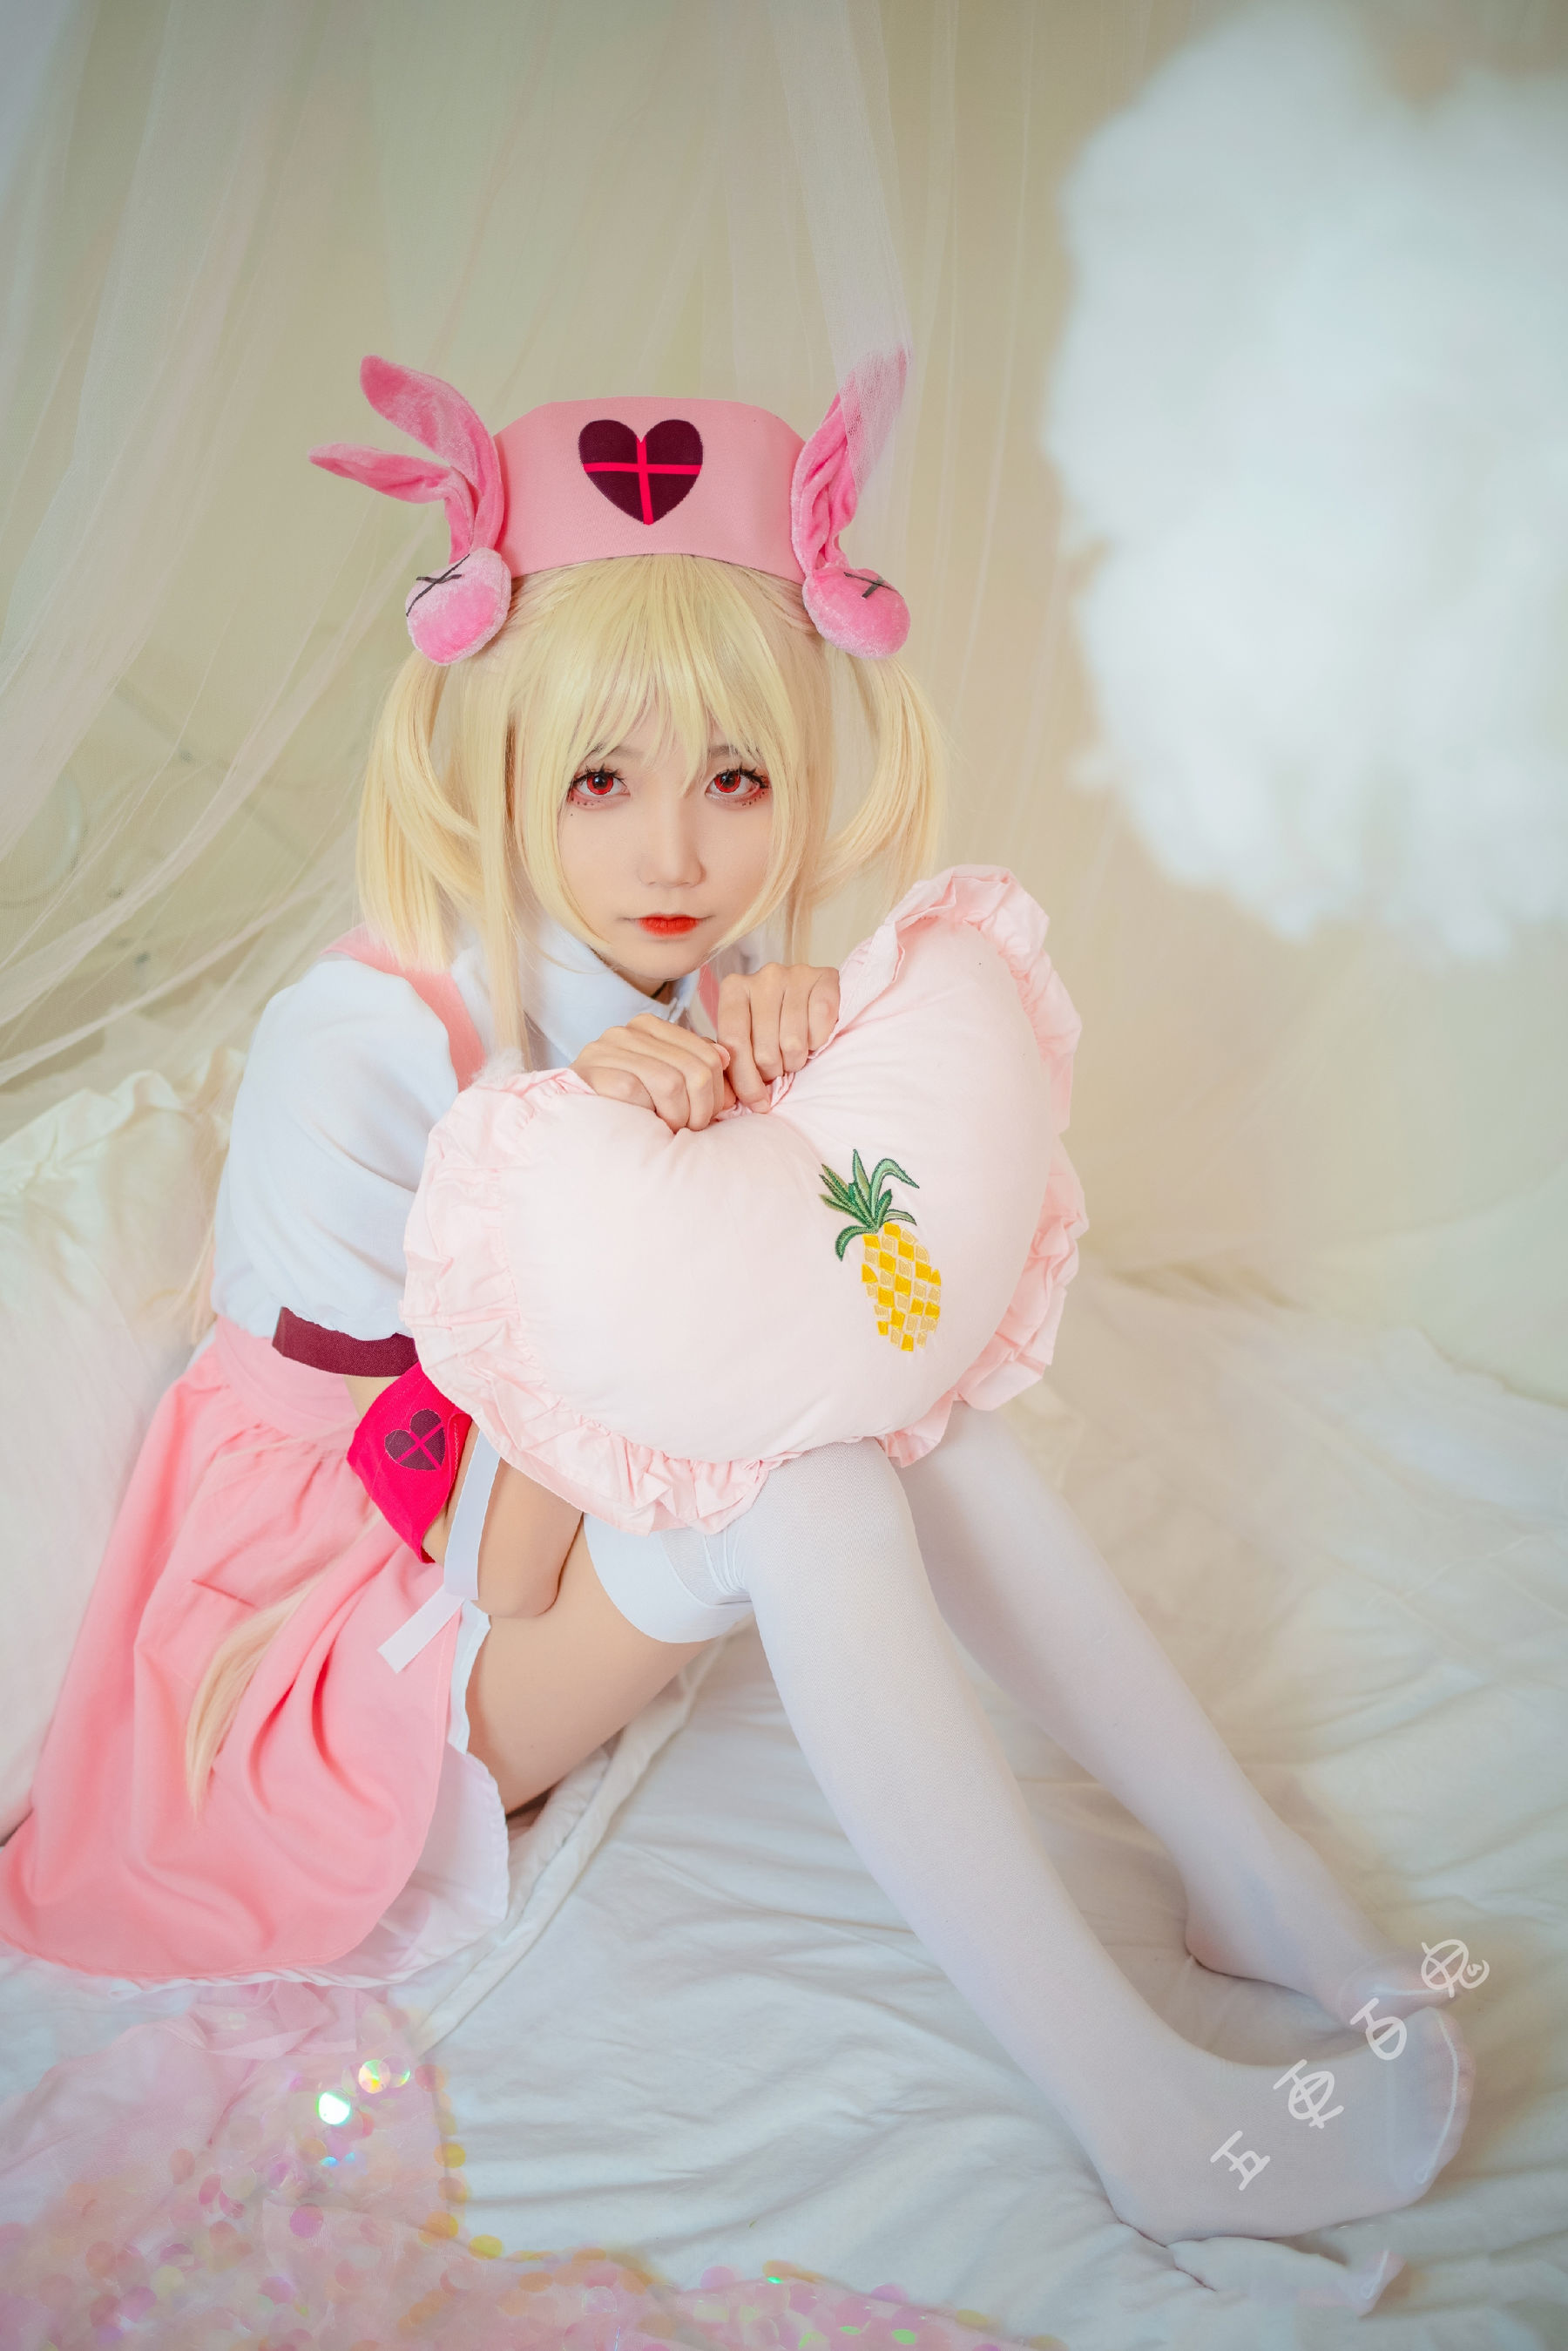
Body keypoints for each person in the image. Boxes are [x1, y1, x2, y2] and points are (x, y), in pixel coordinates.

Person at [0, 359, 1469, 2247]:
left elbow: (819, 1305)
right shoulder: (358, 1046)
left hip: (522, 1525)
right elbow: (487, 1546)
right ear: (497, 767)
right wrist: (593, 1156)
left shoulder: (691, 959)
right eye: (599, 779)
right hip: (333, 1643)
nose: (676, 855)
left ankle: (1240, 1873)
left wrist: (790, 1078)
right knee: (814, 1477)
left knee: (898, 1416)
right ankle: (1145, 2111)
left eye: (738, 777)